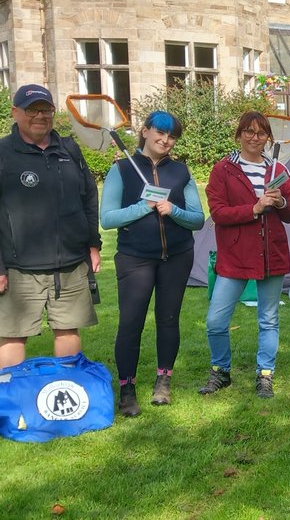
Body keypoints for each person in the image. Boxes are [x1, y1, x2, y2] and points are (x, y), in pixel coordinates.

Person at [0, 84, 102, 371]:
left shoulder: (69, 148)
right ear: (16, 112)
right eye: (32, 110)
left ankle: (66, 394)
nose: (40, 116)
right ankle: (7, 399)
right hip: (20, 267)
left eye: (46, 109)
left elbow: (89, 196)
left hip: (70, 263)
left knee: (69, 330)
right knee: (13, 335)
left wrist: (93, 244)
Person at [100, 111, 204, 416]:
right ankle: (127, 389)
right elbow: (107, 219)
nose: (166, 140)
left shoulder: (181, 173)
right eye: (160, 133)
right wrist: (142, 207)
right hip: (135, 258)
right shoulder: (122, 170)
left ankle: (163, 382)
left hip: (177, 256)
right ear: (145, 132)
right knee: (131, 324)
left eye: (172, 136)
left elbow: (197, 219)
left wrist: (174, 211)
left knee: (169, 320)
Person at [201, 111, 290, 399]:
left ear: (269, 137)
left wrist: (280, 200)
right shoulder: (224, 170)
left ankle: (265, 374)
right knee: (216, 320)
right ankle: (221, 370)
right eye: (249, 132)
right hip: (235, 256)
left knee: (268, 319)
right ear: (240, 134)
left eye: (261, 133)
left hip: (271, 254)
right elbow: (218, 212)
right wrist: (254, 209)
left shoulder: (279, 169)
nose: (255, 138)